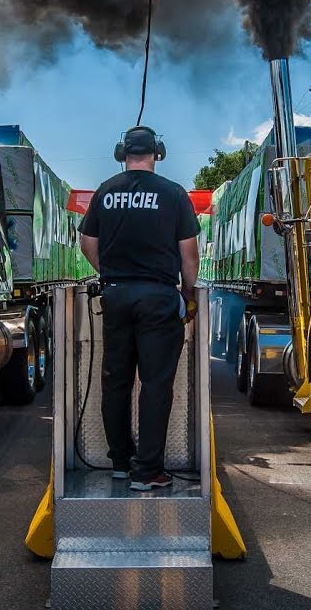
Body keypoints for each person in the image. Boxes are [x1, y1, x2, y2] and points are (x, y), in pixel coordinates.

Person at [78, 126, 200, 492]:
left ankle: (120, 462)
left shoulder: (106, 191)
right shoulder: (174, 194)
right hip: (159, 298)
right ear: (157, 153)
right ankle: (147, 471)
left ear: (122, 153)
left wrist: (113, 274)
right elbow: (189, 254)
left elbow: (86, 243)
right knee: (156, 384)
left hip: (115, 295)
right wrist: (189, 293)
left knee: (116, 382)